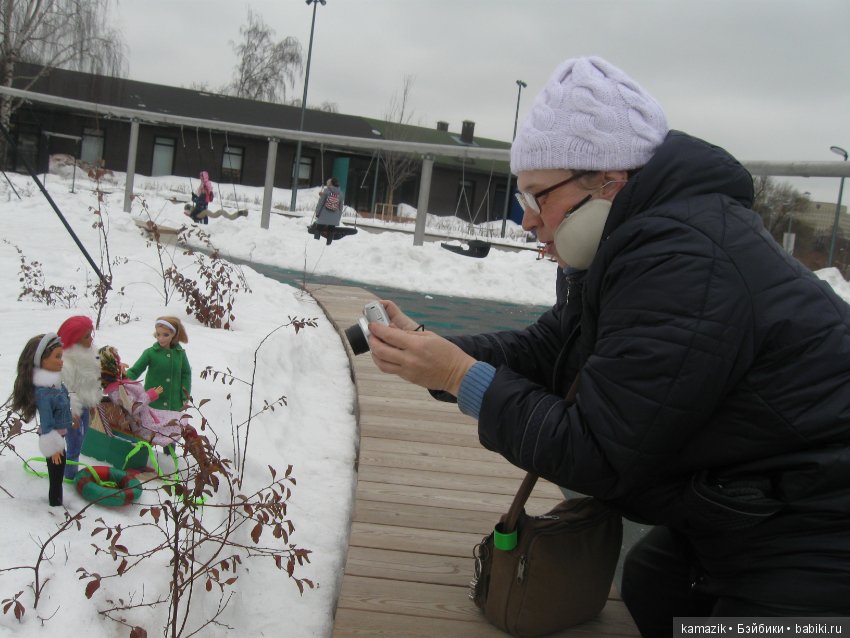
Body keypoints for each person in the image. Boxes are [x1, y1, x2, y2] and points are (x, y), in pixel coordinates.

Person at [366, 56, 850, 633]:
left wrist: (458, 376)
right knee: (649, 584)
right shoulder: (638, 242)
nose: (527, 221)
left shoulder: (684, 263)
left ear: (608, 181)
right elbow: (553, 349)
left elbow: (596, 453)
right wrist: (436, 350)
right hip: (754, 503)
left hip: (819, 519)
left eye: (536, 197)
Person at [11, 333, 69, 506]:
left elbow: (64, 404)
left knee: (58, 473)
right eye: (57, 357)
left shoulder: (55, 385)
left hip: (59, 435)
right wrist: (54, 448)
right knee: (56, 475)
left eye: (61, 356)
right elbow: (47, 421)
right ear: (41, 360)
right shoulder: (44, 392)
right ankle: (55, 505)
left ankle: (57, 502)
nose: (61, 361)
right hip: (53, 438)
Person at [99, 345, 182, 447]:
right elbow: (132, 408)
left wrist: (120, 371)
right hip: (143, 425)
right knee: (179, 424)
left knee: (179, 421)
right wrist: (150, 395)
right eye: (117, 363)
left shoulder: (120, 385)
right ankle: (174, 452)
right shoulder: (118, 390)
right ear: (111, 368)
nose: (121, 364)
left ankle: (171, 452)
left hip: (147, 417)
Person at [57, 315, 102, 480]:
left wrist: (93, 400)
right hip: (72, 408)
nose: (91, 339)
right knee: (74, 442)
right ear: (74, 339)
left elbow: (93, 379)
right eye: (86, 336)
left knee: (80, 439)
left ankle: (67, 467)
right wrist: (72, 411)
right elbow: (65, 389)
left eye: (91, 334)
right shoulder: (67, 361)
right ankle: (69, 474)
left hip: (85, 404)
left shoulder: (90, 353)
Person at [126, 316, 192, 416]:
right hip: (153, 403)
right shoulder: (150, 353)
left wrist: (185, 396)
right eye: (158, 334)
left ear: (173, 334)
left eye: (166, 335)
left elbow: (186, 374)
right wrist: (123, 379)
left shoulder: (180, 353)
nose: (161, 338)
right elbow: (135, 371)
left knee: (173, 425)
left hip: (174, 404)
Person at [312, 177, 344, 245]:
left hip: (324, 215)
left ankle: (315, 243)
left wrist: (317, 213)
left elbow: (321, 203)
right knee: (331, 230)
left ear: (331, 183)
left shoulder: (326, 191)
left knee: (318, 228)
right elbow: (341, 208)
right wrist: (338, 218)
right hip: (335, 217)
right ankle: (328, 245)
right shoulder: (341, 194)